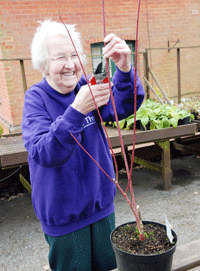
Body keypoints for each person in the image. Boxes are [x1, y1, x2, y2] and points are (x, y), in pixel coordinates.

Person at [21, 19, 144, 271]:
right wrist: (76, 110)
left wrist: (124, 69)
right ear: (43, 65)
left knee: (109, 267)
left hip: (101, 208)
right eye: (59, 58)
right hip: (66, 218)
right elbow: (44, 151)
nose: (70, 64)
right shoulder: (36, 99)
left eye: (74, 55)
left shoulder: (84, 87)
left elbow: (123, 105)